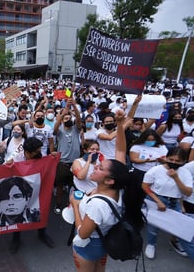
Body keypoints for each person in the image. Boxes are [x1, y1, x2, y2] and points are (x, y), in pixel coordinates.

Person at [70, 109, 144, 272]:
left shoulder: (98, 205)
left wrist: (75, 205)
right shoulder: (118, 188)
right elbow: (120, 151)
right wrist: (119, 124)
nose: (96, 165)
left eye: (100, 168)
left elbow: (82, 233)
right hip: (105, 240)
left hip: (90, 245)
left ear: (109, 180)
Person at [142, 147, 193, 260]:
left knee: (179, 226)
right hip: (156, 200)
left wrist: (176, 178)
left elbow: (187, 192)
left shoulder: (185, 173)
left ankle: (175, 241)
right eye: (171, 159)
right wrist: (158, 201)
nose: (173, 163)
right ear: (166, 158)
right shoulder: (155, 170)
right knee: (153, 226)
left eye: (178, 161)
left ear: (183, 162)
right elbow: (145, 186)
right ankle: (151, 244)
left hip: (175, 201)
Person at [8, 137, 55, 254]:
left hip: (37, 188)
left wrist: (52, 157)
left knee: (41, 210)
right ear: (27, 152)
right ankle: (16, 238)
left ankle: (42, 233)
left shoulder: (41, 155)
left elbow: (47, 164)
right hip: (22, 189)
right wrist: (8, 165)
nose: (39, 152)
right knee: (19, 213)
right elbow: (7, 170)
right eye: (36, 151)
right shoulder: (16, 157)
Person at [53, 97, 82, 214]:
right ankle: (59, 204)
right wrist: (62, 114)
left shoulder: (75, 129)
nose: (68, 119)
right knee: (60, 187)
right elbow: (54, 129)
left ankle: (70, 205)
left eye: (70, 118)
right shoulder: (59, 130)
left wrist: (74, 106)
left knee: (73, 187)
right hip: (63, 163)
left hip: (75, 163)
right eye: (66, 118)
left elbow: (79, 120)